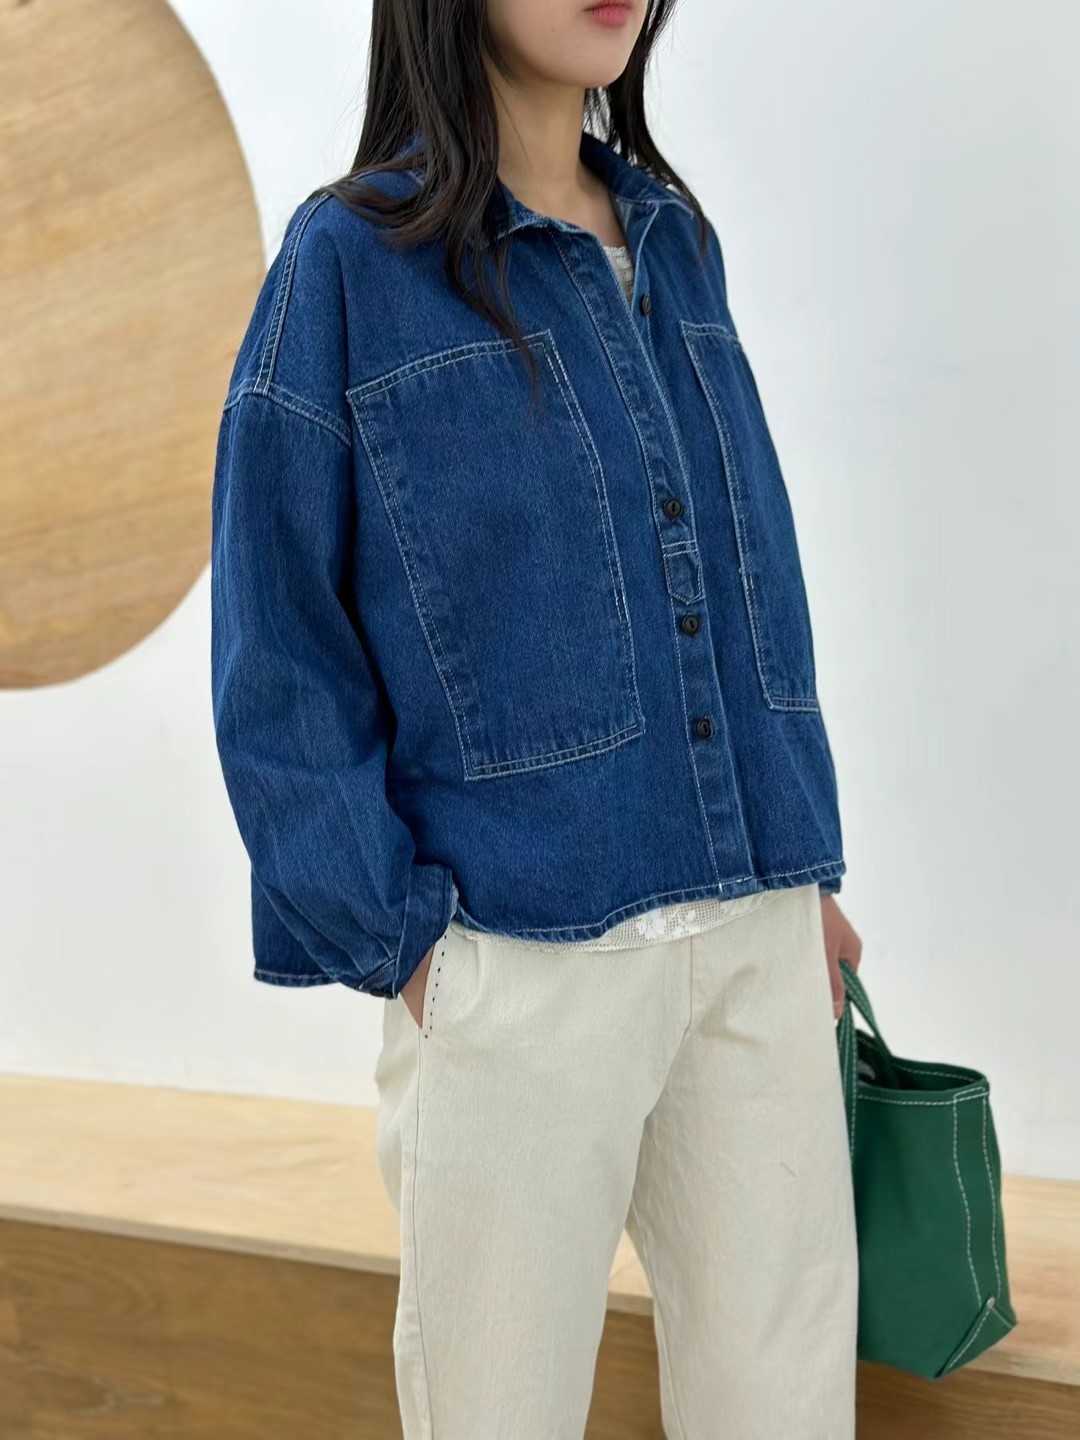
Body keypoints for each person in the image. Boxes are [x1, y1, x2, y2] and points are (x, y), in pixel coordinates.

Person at [210, 1, 864, 1434]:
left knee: (788, 1410)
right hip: (521, 961)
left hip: (753, 939)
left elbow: (749, 570)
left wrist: (800, 862)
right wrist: (403, 942)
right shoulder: (348, 265)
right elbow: (278, 644)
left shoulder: (675, 242)